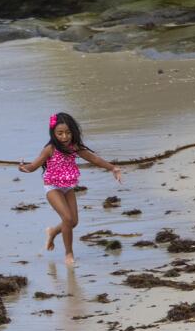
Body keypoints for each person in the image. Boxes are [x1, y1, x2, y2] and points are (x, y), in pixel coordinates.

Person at [18, 112, 123, 264]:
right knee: (67, 218)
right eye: (60, 133)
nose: (64, 137)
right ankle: (69, 253)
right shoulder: (50, 149)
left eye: (68, 133)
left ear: (73, 132)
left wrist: (113, 168)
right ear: (53, 133)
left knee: (73, 222)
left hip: (68, 187)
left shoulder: (75, 148)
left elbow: (94, 158)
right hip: (52, 187)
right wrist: (24, 168)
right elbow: (34, 166)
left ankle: (53, 232)